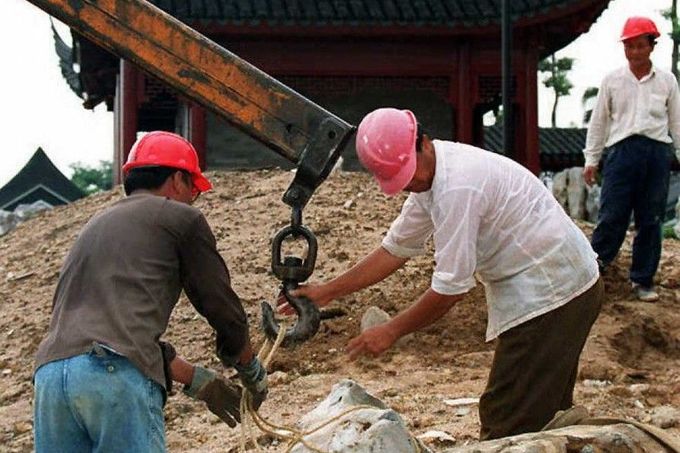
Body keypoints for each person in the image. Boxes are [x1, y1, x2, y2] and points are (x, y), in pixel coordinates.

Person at [281, 108, 604, 440]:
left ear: (422, 142)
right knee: (543, 412)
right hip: (557, 286)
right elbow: (395, 249)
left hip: (554, 292)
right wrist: (328, 291)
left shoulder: (457, 187)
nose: (409, 184)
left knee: (506, 417)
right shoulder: (431, 179)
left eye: (408, 173)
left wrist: (392, 330)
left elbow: (450, 289)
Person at [33, 131, 268, 452]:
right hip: (113, 378)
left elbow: (108, 340)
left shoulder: (95, 225)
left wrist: (198, 380)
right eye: (193, 190)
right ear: (177, 179)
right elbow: (220, 305)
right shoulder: (181, 218)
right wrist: (249, 367)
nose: (192, 200)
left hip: (50, 380)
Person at [583, 16, 680, 302]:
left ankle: (643, 279)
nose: (635, 51)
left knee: (651, 218)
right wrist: (592, 159)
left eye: (640, 45)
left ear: (651, 46)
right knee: (612, 213)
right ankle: (594, 270)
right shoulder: (612, 81)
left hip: (656, 154)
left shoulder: (667, 81)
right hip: (621, 154)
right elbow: (598, 121)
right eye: (629, 46)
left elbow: (676, 122)